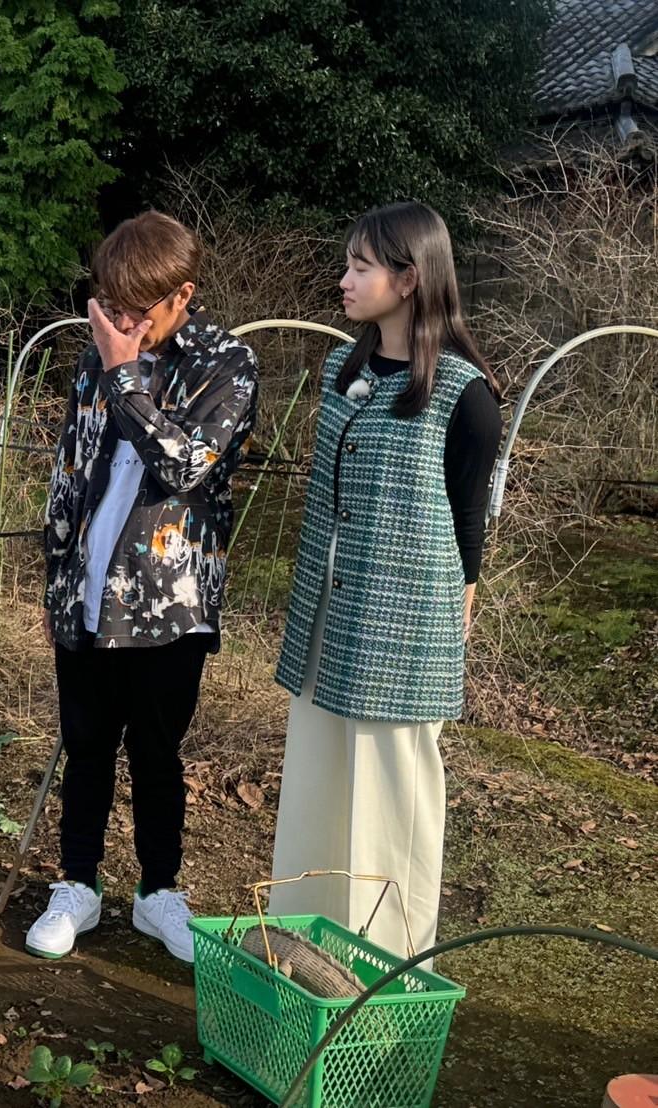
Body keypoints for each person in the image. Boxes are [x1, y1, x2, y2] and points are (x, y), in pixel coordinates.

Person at [269, 201, 502, 957]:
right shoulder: (346, 365)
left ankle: (387, 973)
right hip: (325, 623)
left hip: (400, 636)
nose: (343, 280)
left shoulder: (464, 394)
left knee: (389, 811)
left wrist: (452, 618)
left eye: (359, 267)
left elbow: (468, 529)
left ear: (408, 278)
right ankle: (300, 953)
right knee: (314, 792)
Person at [29, 211, 259, 961]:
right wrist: (56, 566)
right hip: (86, 590)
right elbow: (72, 462)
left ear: (181, 294)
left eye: (137, 310)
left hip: (169, 602)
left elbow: (182, 467)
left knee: (158, 751)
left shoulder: (227, 364)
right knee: (85, 744)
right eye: (111, 306)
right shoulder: (94, 354)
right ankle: (78, 885)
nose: (121, 322)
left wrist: (124, 373)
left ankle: (159, 892)